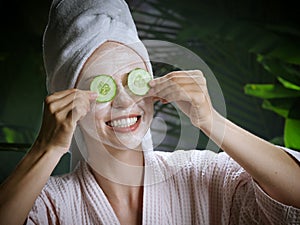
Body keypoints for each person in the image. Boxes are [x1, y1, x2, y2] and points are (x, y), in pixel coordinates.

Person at [0, 0, 300, 224]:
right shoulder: (50, 205)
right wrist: (46, 148)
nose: (123, 102)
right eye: (101, 86)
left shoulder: (201, 175)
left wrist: (212, 120)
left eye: (134, 80)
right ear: (67, 103)